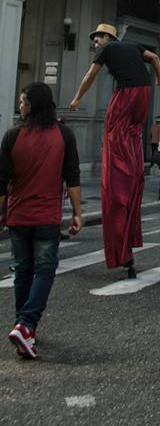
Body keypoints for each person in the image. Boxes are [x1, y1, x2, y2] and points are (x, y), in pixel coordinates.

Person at [69, 23, 160, 278]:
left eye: (97, 38)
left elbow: (90, 76)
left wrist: (77, 98)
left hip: (126, 95)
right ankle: (130, 162)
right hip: (144, 94)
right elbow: (155, 58)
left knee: (115, 135)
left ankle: (118, 163)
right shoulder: (133, 46)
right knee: (131, 135)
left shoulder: (107, 49)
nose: (95, 43)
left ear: (106, 37)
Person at [0, 83, 81, 360]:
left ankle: (23, 327)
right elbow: (72, 176)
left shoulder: (12, 135)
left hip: (18, 216)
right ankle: (26, 324)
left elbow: (2, 182)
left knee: (23, 271)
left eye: (23, 101)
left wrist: (1, 215)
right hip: (46, 217)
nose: (20, 106)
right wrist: (77, 213)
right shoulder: (63, 134)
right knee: (44, 271)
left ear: (33, 105)